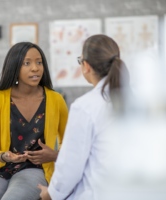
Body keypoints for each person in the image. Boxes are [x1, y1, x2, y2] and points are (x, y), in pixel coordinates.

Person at [38, 34, 130, 200]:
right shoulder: (138, 99)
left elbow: (70, 166)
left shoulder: (85, 106)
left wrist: (50, 194)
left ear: (86, 66)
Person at [0, 42, 68, 200]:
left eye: (39, 62)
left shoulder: (56, 100)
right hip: (1, 168)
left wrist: (54, 155)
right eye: (27, 63)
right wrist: (4, 156)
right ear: (14, 67)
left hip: (36, 169)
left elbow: (72, 146)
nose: (35, 68)